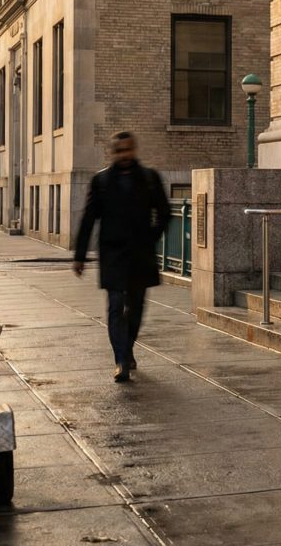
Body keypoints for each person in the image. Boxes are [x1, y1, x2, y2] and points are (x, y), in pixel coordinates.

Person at [73, 132, 171, 382]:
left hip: (140, 255)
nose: (124, 155)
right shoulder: (101, 181)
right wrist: (80, 255)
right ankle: (121, 360)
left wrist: (151, 237)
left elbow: (164, 213)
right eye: (119, 151)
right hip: (113, 255)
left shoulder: (150, 179)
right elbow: (89, 218)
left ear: (134, 150)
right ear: (112, 153)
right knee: (116, 306)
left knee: (136, 309)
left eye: (128, 150)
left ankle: (126, 349)